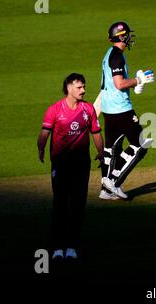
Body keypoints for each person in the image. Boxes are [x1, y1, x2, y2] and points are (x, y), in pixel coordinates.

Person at [37, 73, 104, 260]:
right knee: (60, 205)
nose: (83, 90)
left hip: (81, 164)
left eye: (83, 87)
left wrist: (101, 151)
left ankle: (72, 246)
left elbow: (96, 132)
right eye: (79, 87)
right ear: (69, 88)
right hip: (60, 163)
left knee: (77, 205)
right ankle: (57, 247)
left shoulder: (88, 109)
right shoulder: (54, 110)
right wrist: (41, 149)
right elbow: (44, 133)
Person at [97, 21, 154, 200]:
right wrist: (139, 80)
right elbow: (119, 83)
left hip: (109, 108)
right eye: (127, 35)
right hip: (121, 109)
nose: (129, 37)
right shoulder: (117, 56)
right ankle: (113, 181)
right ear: (121, 37)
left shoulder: (109, 54)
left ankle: (105, 190)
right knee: (140, 144)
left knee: (111, 149)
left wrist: (135, 84)